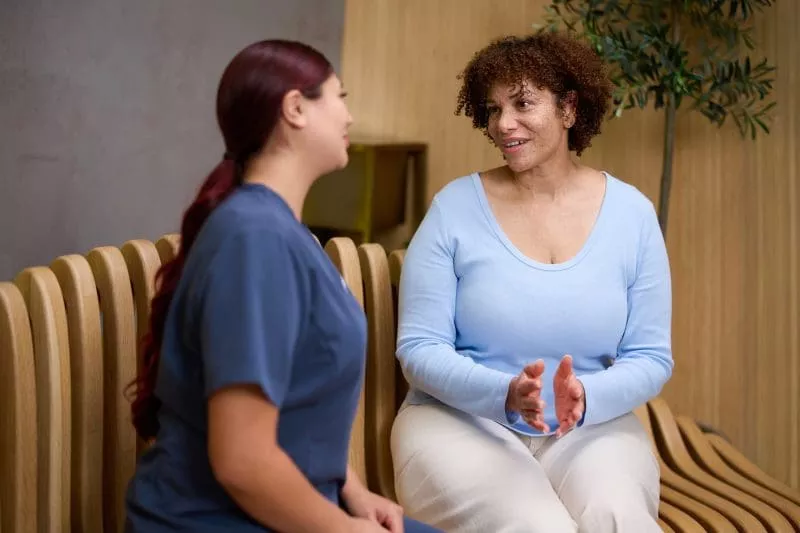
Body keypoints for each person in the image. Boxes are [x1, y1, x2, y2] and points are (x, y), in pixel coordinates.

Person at [124, 39, 440, 533]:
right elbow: (242, 462)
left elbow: (297, 412)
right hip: (214, 521)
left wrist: (351, 490)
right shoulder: (255, 240)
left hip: (294, 507)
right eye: (341, 96)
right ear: (295, 108)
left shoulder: (281, 232)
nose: (349, 117)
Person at [391, 32, 672, 533]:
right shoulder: (452, 209)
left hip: (589, 427)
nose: (504, 124)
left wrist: (585, 396)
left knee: (620, 520)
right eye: (493, 109)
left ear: (568, 108)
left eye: (523, 103)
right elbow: (418, 348)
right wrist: (503, 393)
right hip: (458, 422)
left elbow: (651, 357)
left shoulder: (632, 214)